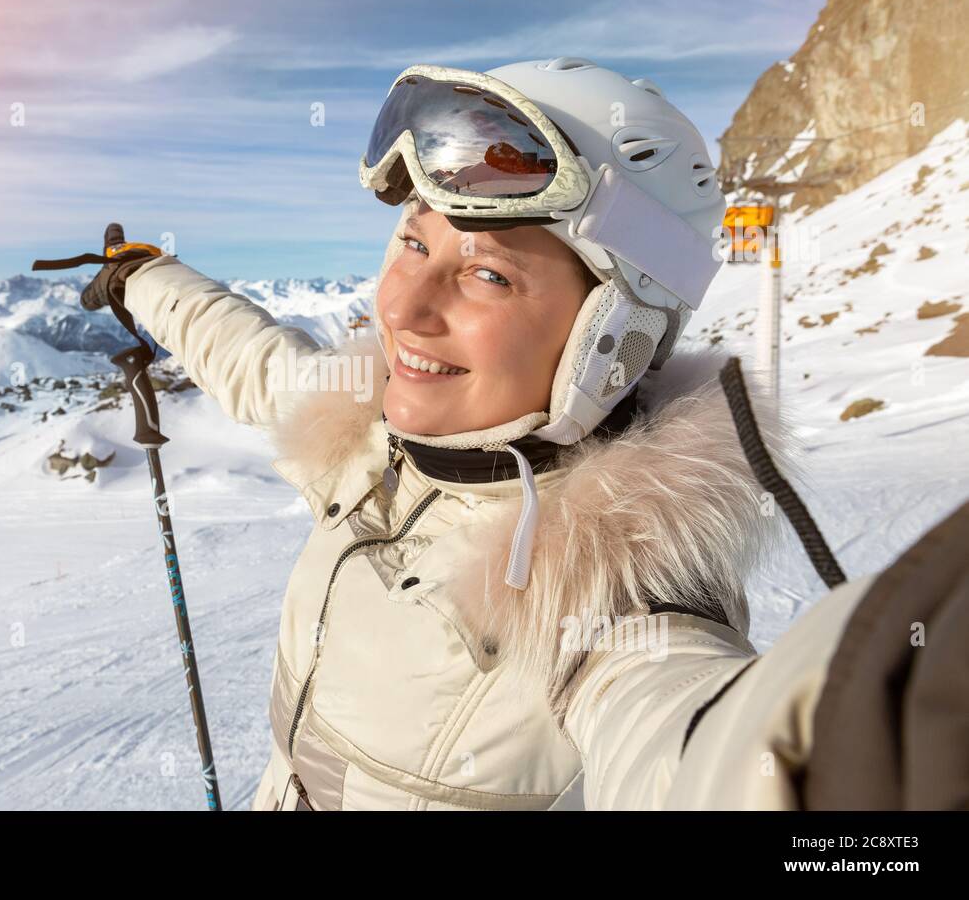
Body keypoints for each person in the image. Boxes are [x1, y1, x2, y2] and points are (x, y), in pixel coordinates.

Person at [86, 59, 921, 810]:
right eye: (412, 243)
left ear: (613, 331)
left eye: (488, 273)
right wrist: (150, 277)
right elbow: (256, 360)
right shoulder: (369, 432)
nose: (404, 309)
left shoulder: (612, 595)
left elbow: (695, 742)